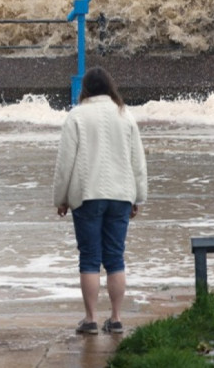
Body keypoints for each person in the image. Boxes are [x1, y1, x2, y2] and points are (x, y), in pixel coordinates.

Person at [53, 66, 148, 335]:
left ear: (86, 89)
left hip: (86, 196)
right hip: (121, 195)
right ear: (110, 87)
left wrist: (60, 198)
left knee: (90, 258)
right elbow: (137, 161)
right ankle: (116, 318)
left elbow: (65, 163)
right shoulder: (125, 115)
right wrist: (138, 196)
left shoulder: (76, 116)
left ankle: (91, 319)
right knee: (115, 258)